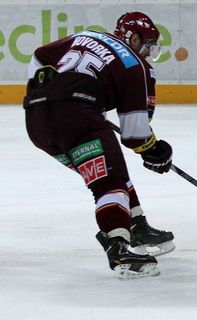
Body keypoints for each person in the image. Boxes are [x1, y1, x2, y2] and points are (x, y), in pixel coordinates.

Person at [23, 12, 175, 278]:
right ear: (135, 38)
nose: (149, 53)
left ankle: (136, 224)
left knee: (107, 167)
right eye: (149, 44)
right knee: (109, 181)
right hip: (77, 118)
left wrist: (47, 91)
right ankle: (118, 245)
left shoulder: (88, 35)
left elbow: (38, 56)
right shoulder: (137, 65)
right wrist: (155, 151)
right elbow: (135, 134)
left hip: (37, 120)